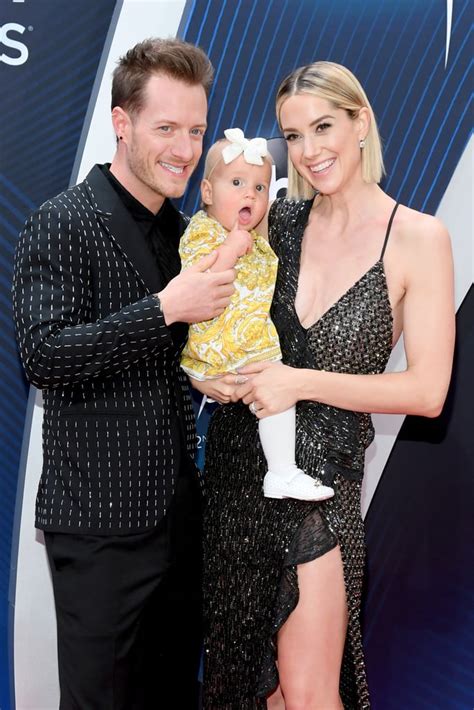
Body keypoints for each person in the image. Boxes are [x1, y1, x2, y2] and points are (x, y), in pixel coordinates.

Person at [193, 61, 455, 708]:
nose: (309, 153)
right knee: (250, 696)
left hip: (322, 494)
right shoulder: (274, 223)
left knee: (309, 696)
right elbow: (213, 310)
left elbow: (427, 392)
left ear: (360, 122)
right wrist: (214, 374)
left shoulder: (419, 238)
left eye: (323, 127)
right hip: (236, 479)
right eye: (293, 136)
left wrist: (296, 382)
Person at [12, 37, 236, 710]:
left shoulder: (190, 234)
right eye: (166, 128)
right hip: (101, 530)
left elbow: (176, 361)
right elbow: (44, 356)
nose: (184, 148)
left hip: (179, 525)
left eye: (195, 130)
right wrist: (165, 310)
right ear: (122, 123)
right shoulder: (61, 222)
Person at [180, 128, 334, 502]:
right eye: (236, 182)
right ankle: (283, 471)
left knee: (277, 397)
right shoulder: (204, 232)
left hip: (243, 350)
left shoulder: (255, 238)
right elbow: (192, 283)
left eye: (260, 187)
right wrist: (231, 250)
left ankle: (281, 470)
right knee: (277, 391)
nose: (249, 193)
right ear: (207, 193)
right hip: (220, 347)